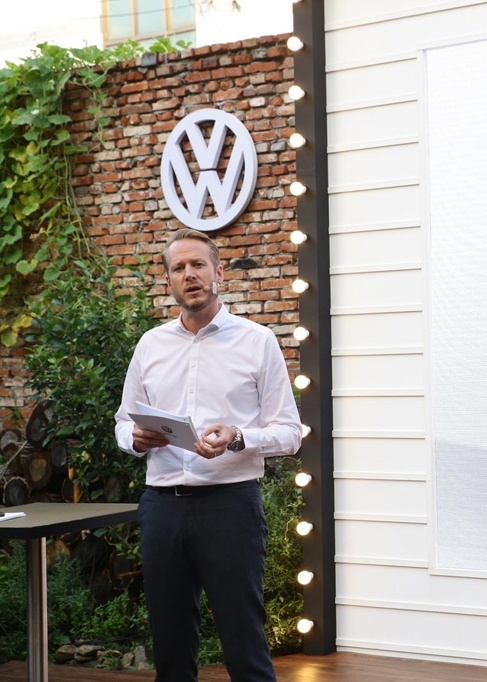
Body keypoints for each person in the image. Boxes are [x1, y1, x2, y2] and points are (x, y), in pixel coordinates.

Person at [115, 228, 301, 682]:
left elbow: (290, 433)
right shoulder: (150, 345)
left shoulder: (257, 341)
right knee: (171, 648)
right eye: (178, 268)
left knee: (244, 646)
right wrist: (137, 439)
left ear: (218, 272)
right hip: (161, 507)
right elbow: (123, 422)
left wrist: (238, 436)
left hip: (230, 505)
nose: (189, 274)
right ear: (169, 282)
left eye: (198, 264)